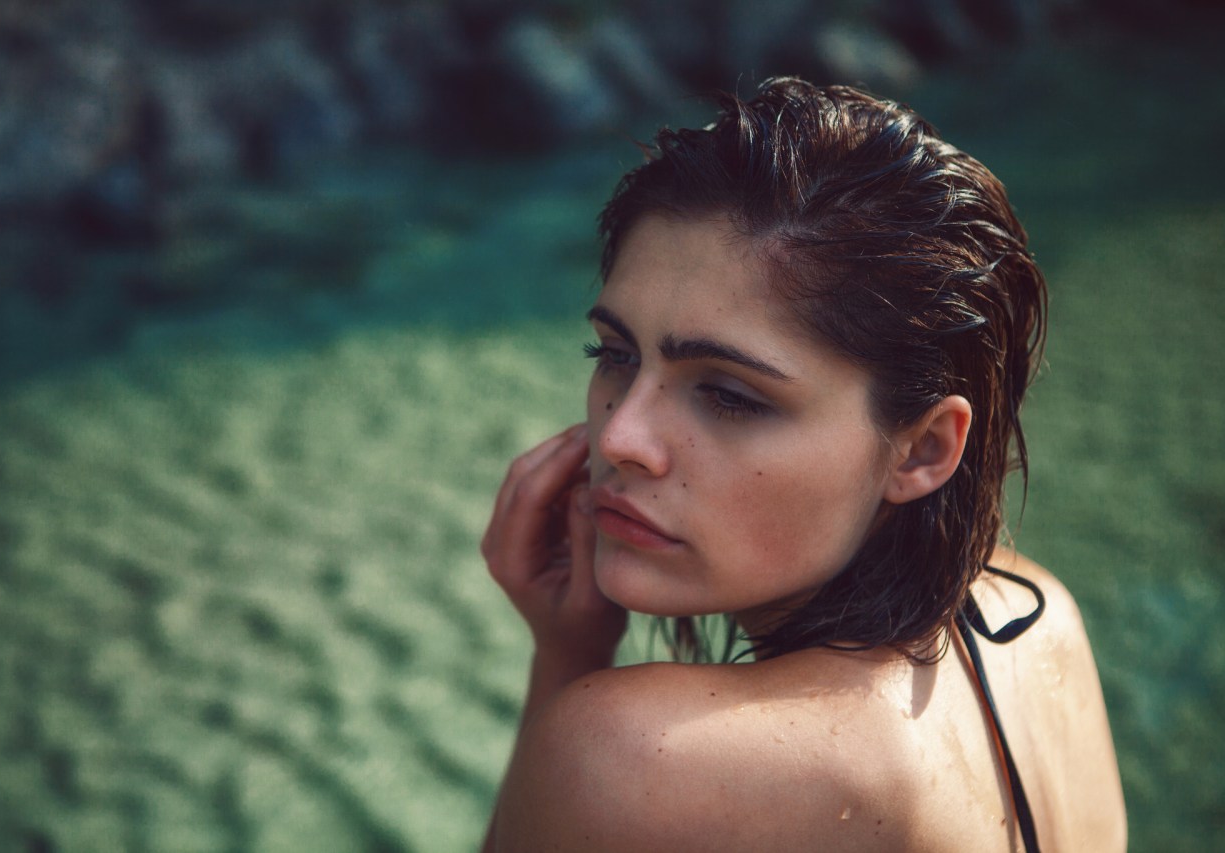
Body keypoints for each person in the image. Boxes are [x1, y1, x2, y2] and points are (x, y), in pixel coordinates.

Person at [479, 78, 1126, 852]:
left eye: (727, 394)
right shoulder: (1039, 620)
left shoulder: (635, 757)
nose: (622, 435)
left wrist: (568, 666)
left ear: (923, 448)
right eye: (614, 354)